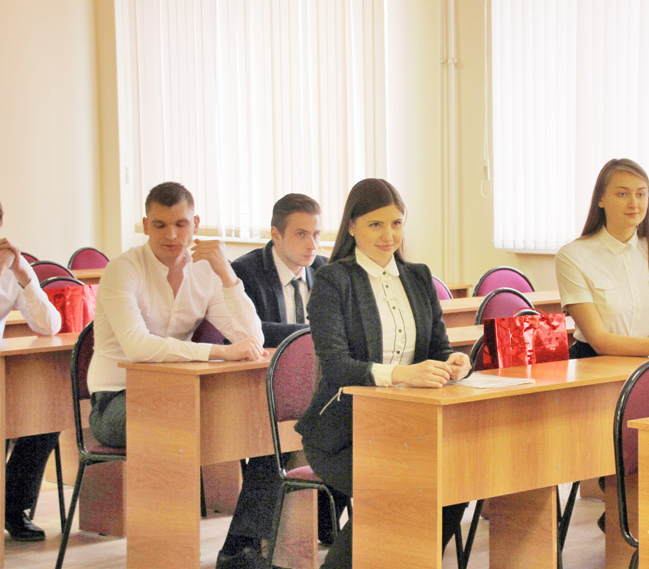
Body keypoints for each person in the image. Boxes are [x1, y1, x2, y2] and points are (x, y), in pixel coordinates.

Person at [295, 178, 472, 569]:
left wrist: (457, 363)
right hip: (343, 434)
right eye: (375, 224)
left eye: (396, 223)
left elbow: (439, 349)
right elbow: (337, 366)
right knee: (395, 489)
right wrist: (403, 375)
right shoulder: (333, 281)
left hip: (409, 429)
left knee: (454, 487)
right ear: (352, 226)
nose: (388, 235)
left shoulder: (419, 277)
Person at [88, 182, 267, 451]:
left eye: (180, 224)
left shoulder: (206, 270)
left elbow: (252, 339)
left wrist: (228, 275)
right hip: (116, 397)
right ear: (146, 226)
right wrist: (221, 352)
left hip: (178, 390)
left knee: (241, 416)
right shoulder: (123, 269)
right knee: (184, 421)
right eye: (160, 225)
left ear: (196, 224)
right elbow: (138, 347)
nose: (171, 235)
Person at [217, 193, 342, 568]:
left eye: (316, 234)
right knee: (277, 439)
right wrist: (311, 334)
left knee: (347, 422)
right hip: (259, 387)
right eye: (301, 234)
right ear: (276, 234)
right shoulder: (246, 272)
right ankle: (241, 545)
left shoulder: (324, 270)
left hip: (314, 386)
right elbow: (249, 332)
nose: (312, 245)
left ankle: (327, 523)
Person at [555, 158, 649, 360]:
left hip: (642, 363)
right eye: (622, 194)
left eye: (641, 194)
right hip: (592, 363)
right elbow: (600, 341)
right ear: (601, 199)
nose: (634, 203)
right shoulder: (573, 255)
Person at [0, 201, 62, 542]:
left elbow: (49, 326)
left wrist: (24, 276)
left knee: (44, 420)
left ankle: (13, 508)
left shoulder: (11, 269)